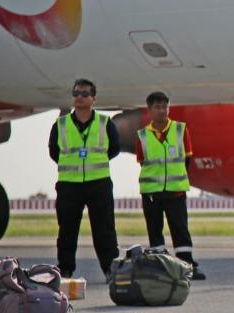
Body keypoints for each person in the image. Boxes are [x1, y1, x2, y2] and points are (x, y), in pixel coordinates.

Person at [48, 78, 120, 278]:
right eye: (76, 93)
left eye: (84, 94)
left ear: (93, 99)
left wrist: (92, 164)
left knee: (104, 229)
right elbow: (54, 151)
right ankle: (66, 270)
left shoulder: (106, 123)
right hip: (69, 185)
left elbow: (114, 148)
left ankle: (110, 270)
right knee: (67, 230)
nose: (79, 97)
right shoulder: (60, 125)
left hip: (99, 183)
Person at [135, 91, 204, 279]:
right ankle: (160, 266)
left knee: (180, 228)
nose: (162, 111)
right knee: (155, 230)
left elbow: (187, 159)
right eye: (157, 107)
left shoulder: (181, 130)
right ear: (149, 110)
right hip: (152, 192)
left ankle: (187, 265)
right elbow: (143, 162)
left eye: (165, 106)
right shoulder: (142, 135)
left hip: (175, 191)